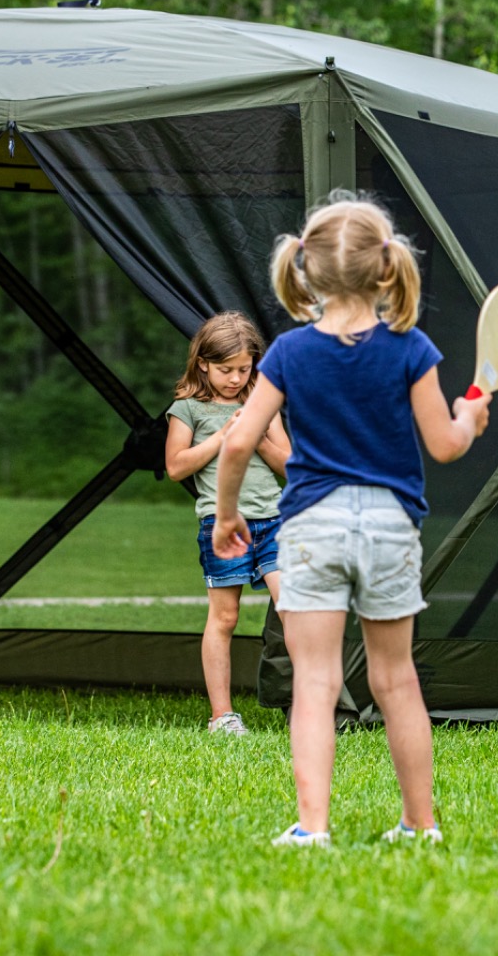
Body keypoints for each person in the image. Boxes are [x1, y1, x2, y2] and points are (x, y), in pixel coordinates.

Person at [213, 193, 490, 847]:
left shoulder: (286, 353)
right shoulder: (410, 347)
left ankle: (313, 829)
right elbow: (446, 445)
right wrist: (471, 417)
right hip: (391, 527)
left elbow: (236, 442)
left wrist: (227, 514)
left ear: (305, 268)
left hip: (311, 527)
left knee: (315, 680)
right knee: (396, 679)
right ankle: (420, 826)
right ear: (387, 268)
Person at [164, 311, 290, 737]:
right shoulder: (187, 409)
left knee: (295, 609)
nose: (236, 378)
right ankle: (222, 716)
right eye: (225, 370)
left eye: (244, 368)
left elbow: (289, 466)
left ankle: (312, 704)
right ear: (203, 363)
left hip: (272, 520)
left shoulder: (264, 403)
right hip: (222, 523)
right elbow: (176, 467)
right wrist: (221, 439)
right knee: (225, 617)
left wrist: (255, 434)